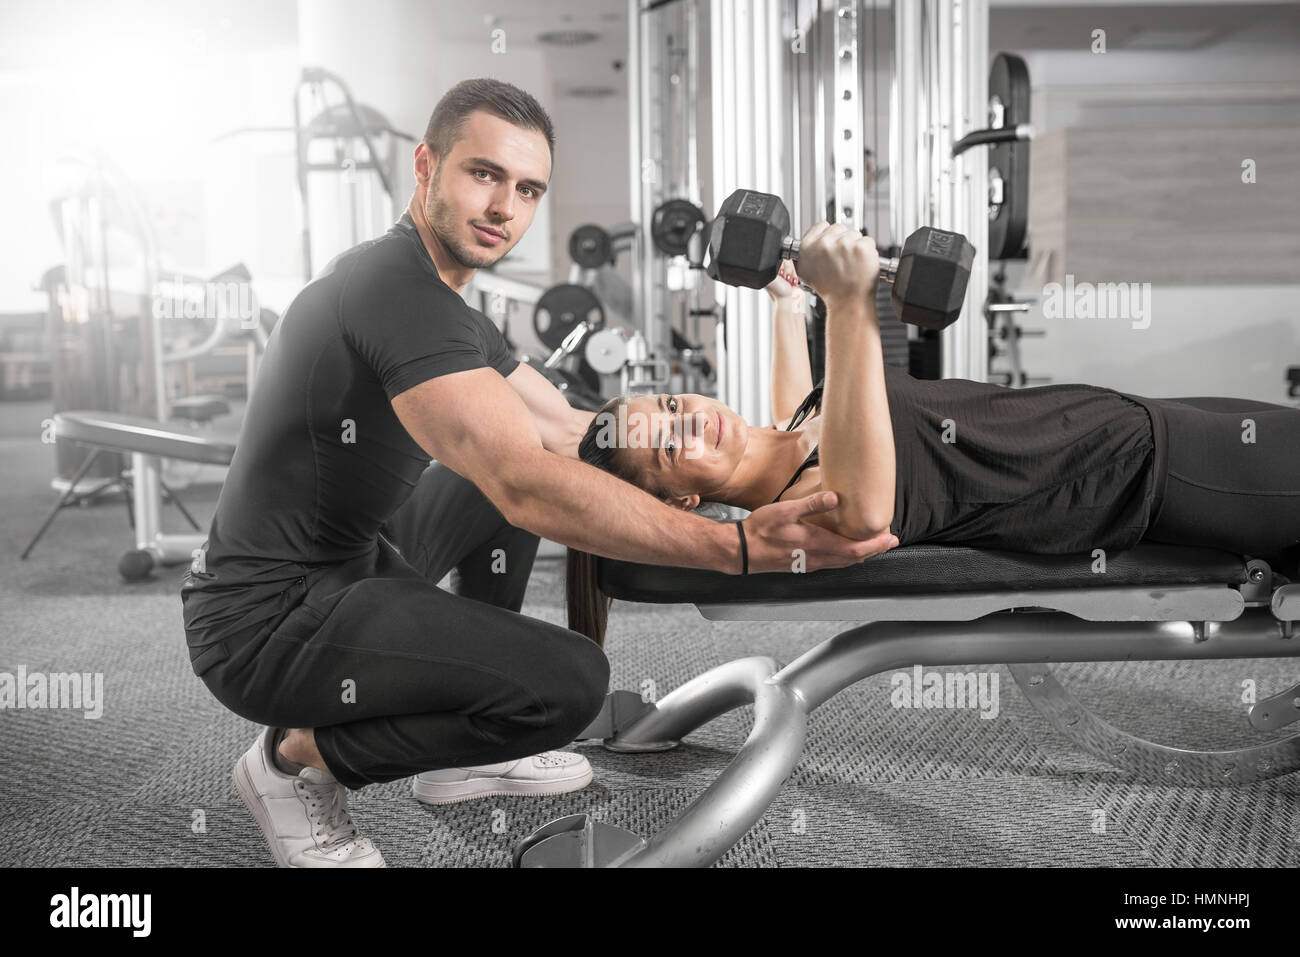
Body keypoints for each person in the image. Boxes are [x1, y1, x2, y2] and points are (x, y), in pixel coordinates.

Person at [180, 78, 891, 868]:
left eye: (526, 189)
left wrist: (729, 438)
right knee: (569, 683)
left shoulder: (449, 308)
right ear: (426, 166)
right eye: (482, 174)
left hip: (350, 564)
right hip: (263, 623)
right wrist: (739, 548)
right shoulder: (394, 290)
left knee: (527, 464)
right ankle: (291, 761)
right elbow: (523, 481)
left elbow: (572, 432)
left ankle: (461, 751)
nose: (504, 208)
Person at [567, 235, 1300, 645]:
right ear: (687, 497)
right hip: (1143, 473)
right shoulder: (813, 505)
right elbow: (862, 511)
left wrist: (790, 304)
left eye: (669, 402)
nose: (691, 417)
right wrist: (851, 298)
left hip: (1136, 417)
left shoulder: (797, 432)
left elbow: (798, 404)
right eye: (669, 444)